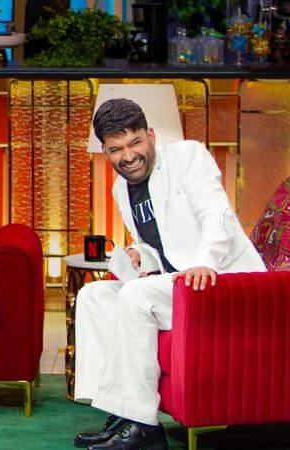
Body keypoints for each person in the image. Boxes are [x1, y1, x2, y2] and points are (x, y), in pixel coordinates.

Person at [73, 98, 266, 449]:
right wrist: (139, 253)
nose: (128, 156)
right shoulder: (121, 189)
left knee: (136, 295)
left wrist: (205, 261)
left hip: (222, 282)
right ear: (105, 151)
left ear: (151, 135)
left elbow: (216, 215)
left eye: (135, 142)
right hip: (180, 287)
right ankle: (119, 411)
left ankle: (144, 428)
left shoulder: (187, 157)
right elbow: (159, 242)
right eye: (116, 149)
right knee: (93, 296)